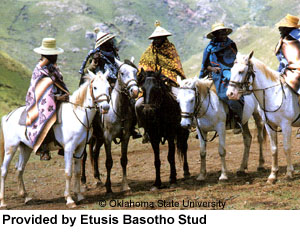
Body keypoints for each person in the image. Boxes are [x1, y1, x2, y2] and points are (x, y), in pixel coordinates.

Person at [79, 28, 141, 139]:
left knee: (131, 100)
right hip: (101, 84)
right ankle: (94, 129)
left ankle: (131, 128)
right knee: (97, 105)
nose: (111, 43)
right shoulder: (94, 55)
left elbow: (119, 69)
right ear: (103, 44)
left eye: (110, 41)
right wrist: (94, 63)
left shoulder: (114, 55)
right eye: (108, 41)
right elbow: (85, 71)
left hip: (117, 83)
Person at [136, 20, 186, 143]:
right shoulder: (149, 51)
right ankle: (146, 129)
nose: (157, 40)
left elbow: (176, 65)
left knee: (181, 99)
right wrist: (151, 76)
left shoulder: (171, 48)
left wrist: (166, 77)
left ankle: (183, 124)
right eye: (156, 38)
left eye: (160, 38)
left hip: (169, 81)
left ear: (164, 38)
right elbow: (143, 66)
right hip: (152, 82)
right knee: (138, 105)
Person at [26, 38, 69, 160]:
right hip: (38, 100)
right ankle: (43, 147)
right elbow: (39, 91)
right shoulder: (39, 70)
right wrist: (57, 97)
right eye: (54, 54)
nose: (56, 57)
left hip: (56, 98)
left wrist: (64, 95)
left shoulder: (53, 68)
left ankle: (64, 143)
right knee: (47, 112)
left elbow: (59, 83)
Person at [199, 22, 243, 134]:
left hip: (230, 73)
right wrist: (213, 69)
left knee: (227, 95)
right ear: (215, 35)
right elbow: (205, 66)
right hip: (215, 75)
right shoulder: (209, 48)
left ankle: (239, 119)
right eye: (220, 34)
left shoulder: (230, 45)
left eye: (224, 33)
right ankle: (200, 124)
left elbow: (235, 60)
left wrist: (228, 70)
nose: (223, 36)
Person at [275, 14, 300, 138]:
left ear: (288, 27)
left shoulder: (297, 38)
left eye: (282, 27)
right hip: (287, 70)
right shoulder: (283, 40)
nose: (279, 29)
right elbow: (283, 61)